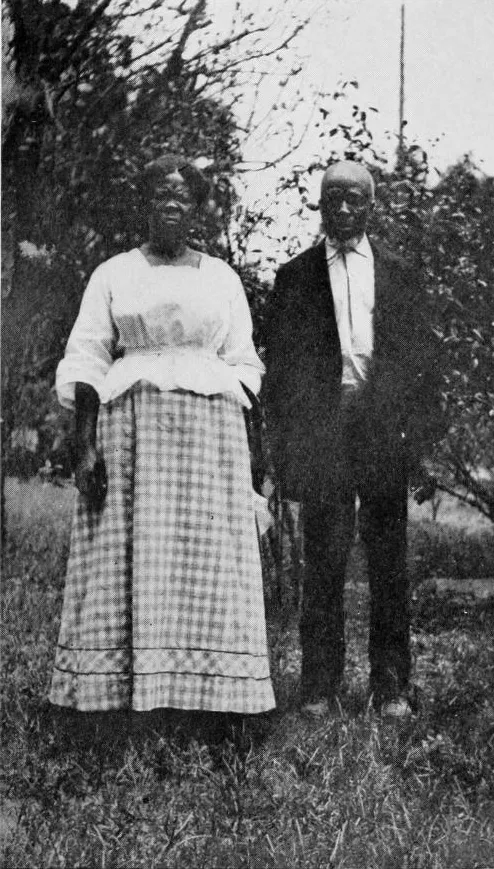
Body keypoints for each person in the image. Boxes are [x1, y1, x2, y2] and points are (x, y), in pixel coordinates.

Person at [50, 154, 275, 723]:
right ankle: (118, 695)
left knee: (206, 558)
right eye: (160, 194)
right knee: (128, 553)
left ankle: (213, 697)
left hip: (209, 441)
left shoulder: (222, 277)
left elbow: (243, 362)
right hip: (132, 436)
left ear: (197, 208)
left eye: (183, 196)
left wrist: (246, 458)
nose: (171, 204)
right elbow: (87, 358)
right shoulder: (114, 273)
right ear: (144, 203)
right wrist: (86, 444)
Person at [263, 160, 442, 719]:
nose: (343, 208)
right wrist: (286, 450)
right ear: (320, 203)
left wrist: (421, 447)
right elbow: (283, 373)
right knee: (324, 560)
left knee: (389, 562)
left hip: (383, 429)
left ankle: (391, 687)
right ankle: (320, 687)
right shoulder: (294, 276)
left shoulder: (400, 273)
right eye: (333, 197)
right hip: (323, 433)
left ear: (371, 206)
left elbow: (422, 363)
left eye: (354, 199)